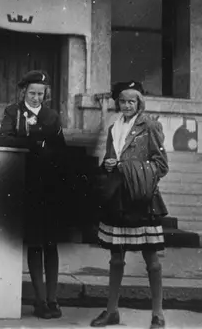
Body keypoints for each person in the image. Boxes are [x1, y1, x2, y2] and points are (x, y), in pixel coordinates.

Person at [90, 81, 168, 329]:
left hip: (141, 200)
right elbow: (109, 159)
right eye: (122, 101)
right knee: (116, 257)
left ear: (139, 103)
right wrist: (108, 165)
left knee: (151, 258)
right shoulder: (114, 128)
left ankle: (158, 314)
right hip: (118, 198)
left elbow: (161, 165)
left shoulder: (150, 126)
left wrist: (129, 169)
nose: (126, 105)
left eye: (131, 101)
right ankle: (111, 311)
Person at [0, 70, 66, 320]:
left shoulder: (51, 116)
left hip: (49, 186)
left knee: (51, 243)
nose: (36, 98)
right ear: (23, 92)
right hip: (25, 184)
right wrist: (33, 142)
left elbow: (61, 147)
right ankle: (40, 300)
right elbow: (3, 139)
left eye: (40, 94)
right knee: (36, 243)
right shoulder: (13, 112)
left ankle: (53, 299)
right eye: (32, 93)